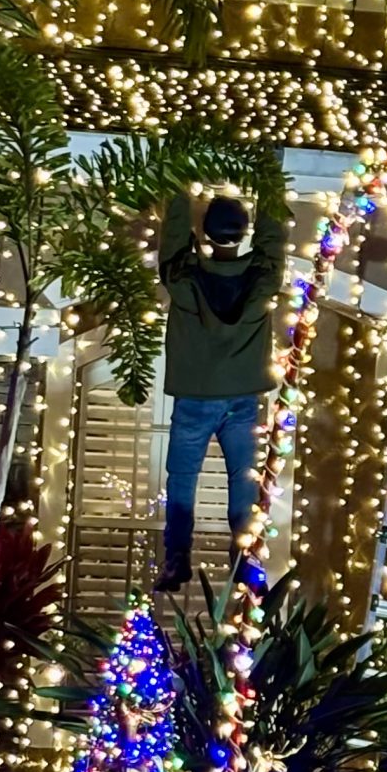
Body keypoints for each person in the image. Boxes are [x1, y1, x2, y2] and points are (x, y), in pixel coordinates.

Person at [155, 188, 285, 594]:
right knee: (244, 480)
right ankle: (243, 556)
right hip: (244, 398)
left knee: (182, 479)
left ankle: (177, 556)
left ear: (205, 233)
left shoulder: (182, 278)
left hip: (194, 398)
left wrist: (179, 186)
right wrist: (270, 182)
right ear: (243, 233)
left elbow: (172, 238)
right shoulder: (263, 277)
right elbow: (274, 238)